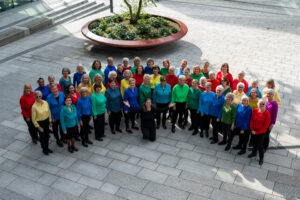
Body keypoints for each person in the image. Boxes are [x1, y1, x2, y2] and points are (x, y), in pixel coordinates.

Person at [248, 99, 271, 165]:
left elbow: (265, 127)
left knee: (260, 145)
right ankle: (254, 153)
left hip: (261, 133)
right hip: (253, 131)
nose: (261, 105)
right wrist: (252, 129)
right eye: (260, 104)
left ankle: (261, 158)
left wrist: (256, 132)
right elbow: (251, 120)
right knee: (254, 143)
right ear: (258, 104)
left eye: (263, 104)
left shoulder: (267, 114)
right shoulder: (255, 110)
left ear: (265, 105)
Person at [31, 91, 52, 155]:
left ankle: (47, 147)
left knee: (47, 136)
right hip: (40, 123)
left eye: (40, 96)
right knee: (42, 137)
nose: (38, 98)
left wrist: (50, 121)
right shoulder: (34, 107)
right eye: (37, 97)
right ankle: (44, 149)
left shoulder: (45, 102)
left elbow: (48, 112)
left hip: (46, 121)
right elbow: (33, 119)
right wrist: (38, 127)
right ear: (34, 97)